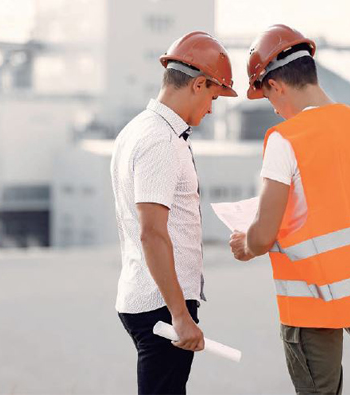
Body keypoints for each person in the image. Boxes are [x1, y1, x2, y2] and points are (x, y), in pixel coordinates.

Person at [229, 24, 350, 395]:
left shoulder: (286, 139)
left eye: (268, 98)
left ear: (275, 85)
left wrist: (247, 243)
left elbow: (263, 234)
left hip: (312, 297)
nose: (273, 109)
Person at [110, 31, 237, 395]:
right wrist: (180, 316)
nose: (212, 108)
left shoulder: (136, 130)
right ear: (198, 84)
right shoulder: (161, 141)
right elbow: (152, 231)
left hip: (151, 296)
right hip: (162, 305)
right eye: (213, 96)